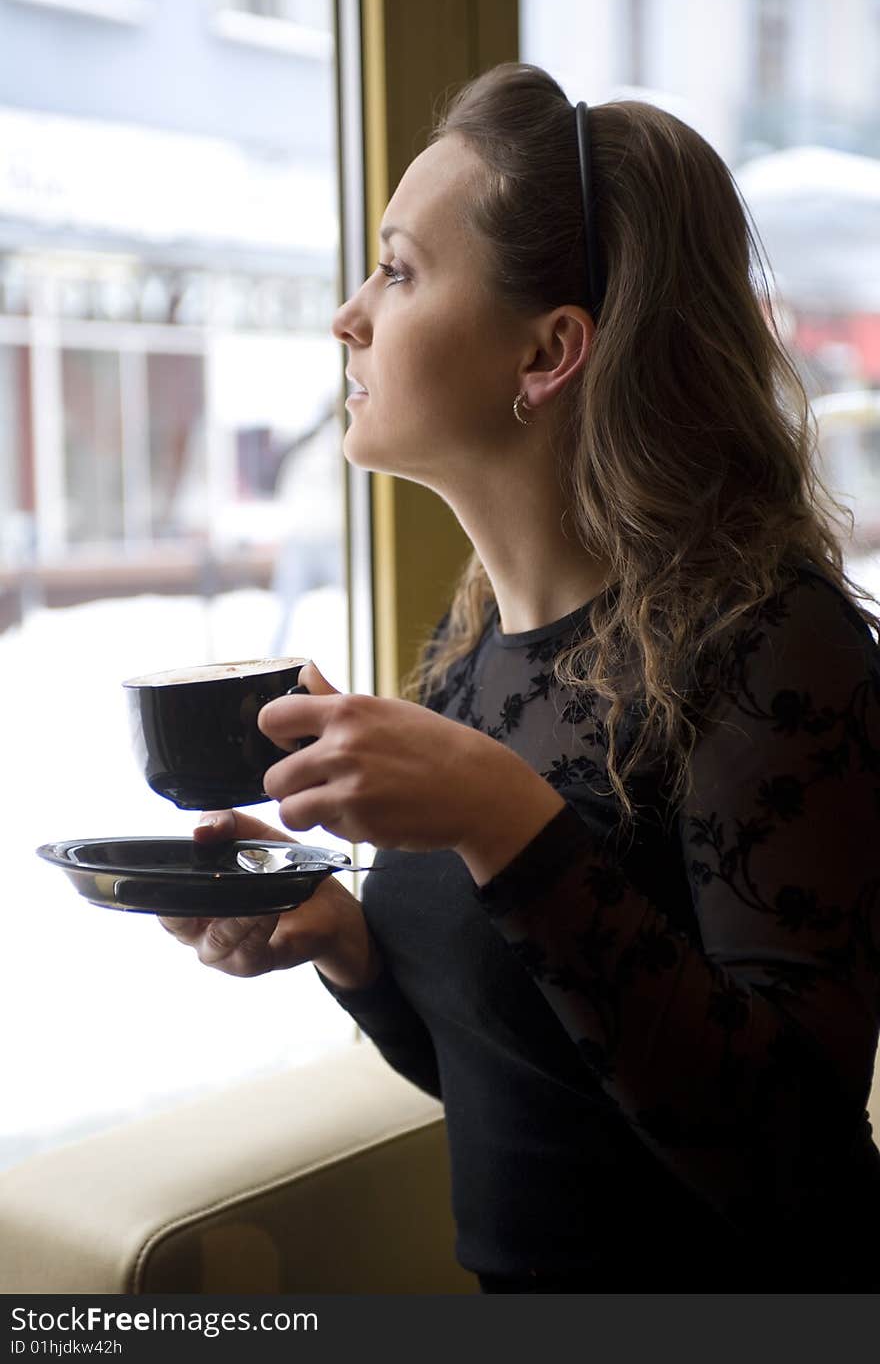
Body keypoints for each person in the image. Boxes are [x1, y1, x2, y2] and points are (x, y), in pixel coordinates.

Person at [160, 63, 880, 1292]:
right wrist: (351, 950)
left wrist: (506, 821)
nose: (349, 314)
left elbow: (795, 1171)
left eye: (397, 270)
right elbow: (532, 1076)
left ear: (549, 351)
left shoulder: (777, 650)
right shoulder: (477, 644)